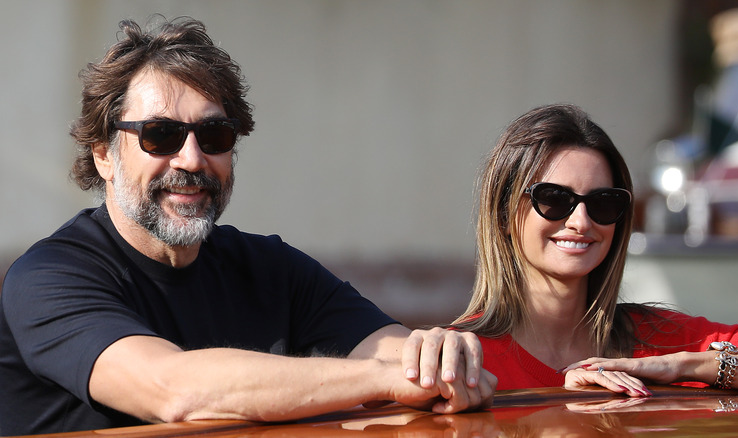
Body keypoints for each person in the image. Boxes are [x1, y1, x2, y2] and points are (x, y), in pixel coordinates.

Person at [0, 17, 495, 436]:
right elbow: (175, 391)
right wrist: (383, 380)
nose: (191, 159)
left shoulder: (272, 269)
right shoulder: (47, 278)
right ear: (104, 154)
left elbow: (403, 356)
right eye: (161, 136)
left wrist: (441, 357)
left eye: (214, 134)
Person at [451, 103, 738, 396]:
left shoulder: (656, 340)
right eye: (553, 198)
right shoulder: (459, 357)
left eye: (603, 203)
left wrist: (683, 367)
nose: (581, 221)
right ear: (503, 215)